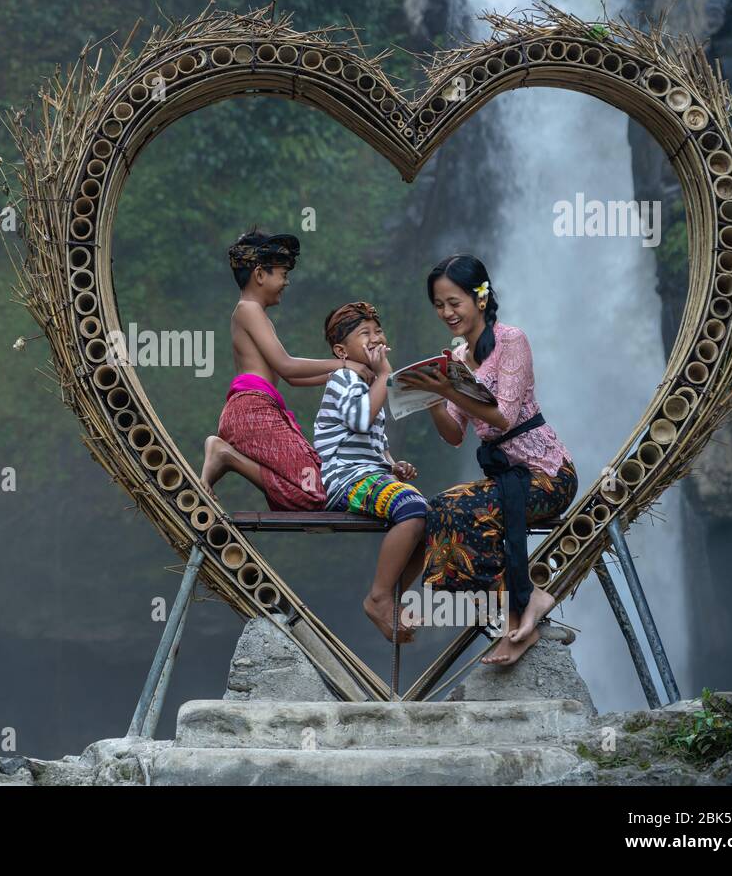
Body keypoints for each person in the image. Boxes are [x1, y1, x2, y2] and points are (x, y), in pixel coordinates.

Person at [398, 255, 578, 665]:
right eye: (439, 305)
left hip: (548, 474)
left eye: (454, 302)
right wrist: (428, 397)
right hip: (506, 478)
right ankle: (514, 609)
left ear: (480, 298)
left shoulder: (511, 340)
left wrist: (449, 387)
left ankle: (522, 610)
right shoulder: (459, 359)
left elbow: (503, 416)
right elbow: (453, 433)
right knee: (440, 506)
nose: (447, 312)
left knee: (463, 507)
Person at [201, 227, 374, 509]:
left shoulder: (255, 314)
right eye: (282, 274)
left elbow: (291, 378)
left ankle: (227, 455)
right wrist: (346, 363)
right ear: (259, 274)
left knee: (313, 487)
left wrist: (343, 373)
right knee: (313, 491)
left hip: (259, 409)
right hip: (252, 412)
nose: (286, 282)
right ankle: (225, 455)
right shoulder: (248, 310)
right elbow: (287, 365)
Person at [314, 301, 428, 644]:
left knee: (431, 516)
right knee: (412, 508)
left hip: (368, 474)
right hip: (344, 479)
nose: (376, 338)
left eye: (378, 331)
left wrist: (392, 464)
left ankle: (392, 597)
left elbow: (373, 439)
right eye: (365, 334)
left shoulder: (366, 383)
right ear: (341, 351)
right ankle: (378, 597)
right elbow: (361, 419)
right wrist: (383, 375)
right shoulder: (343, 377)